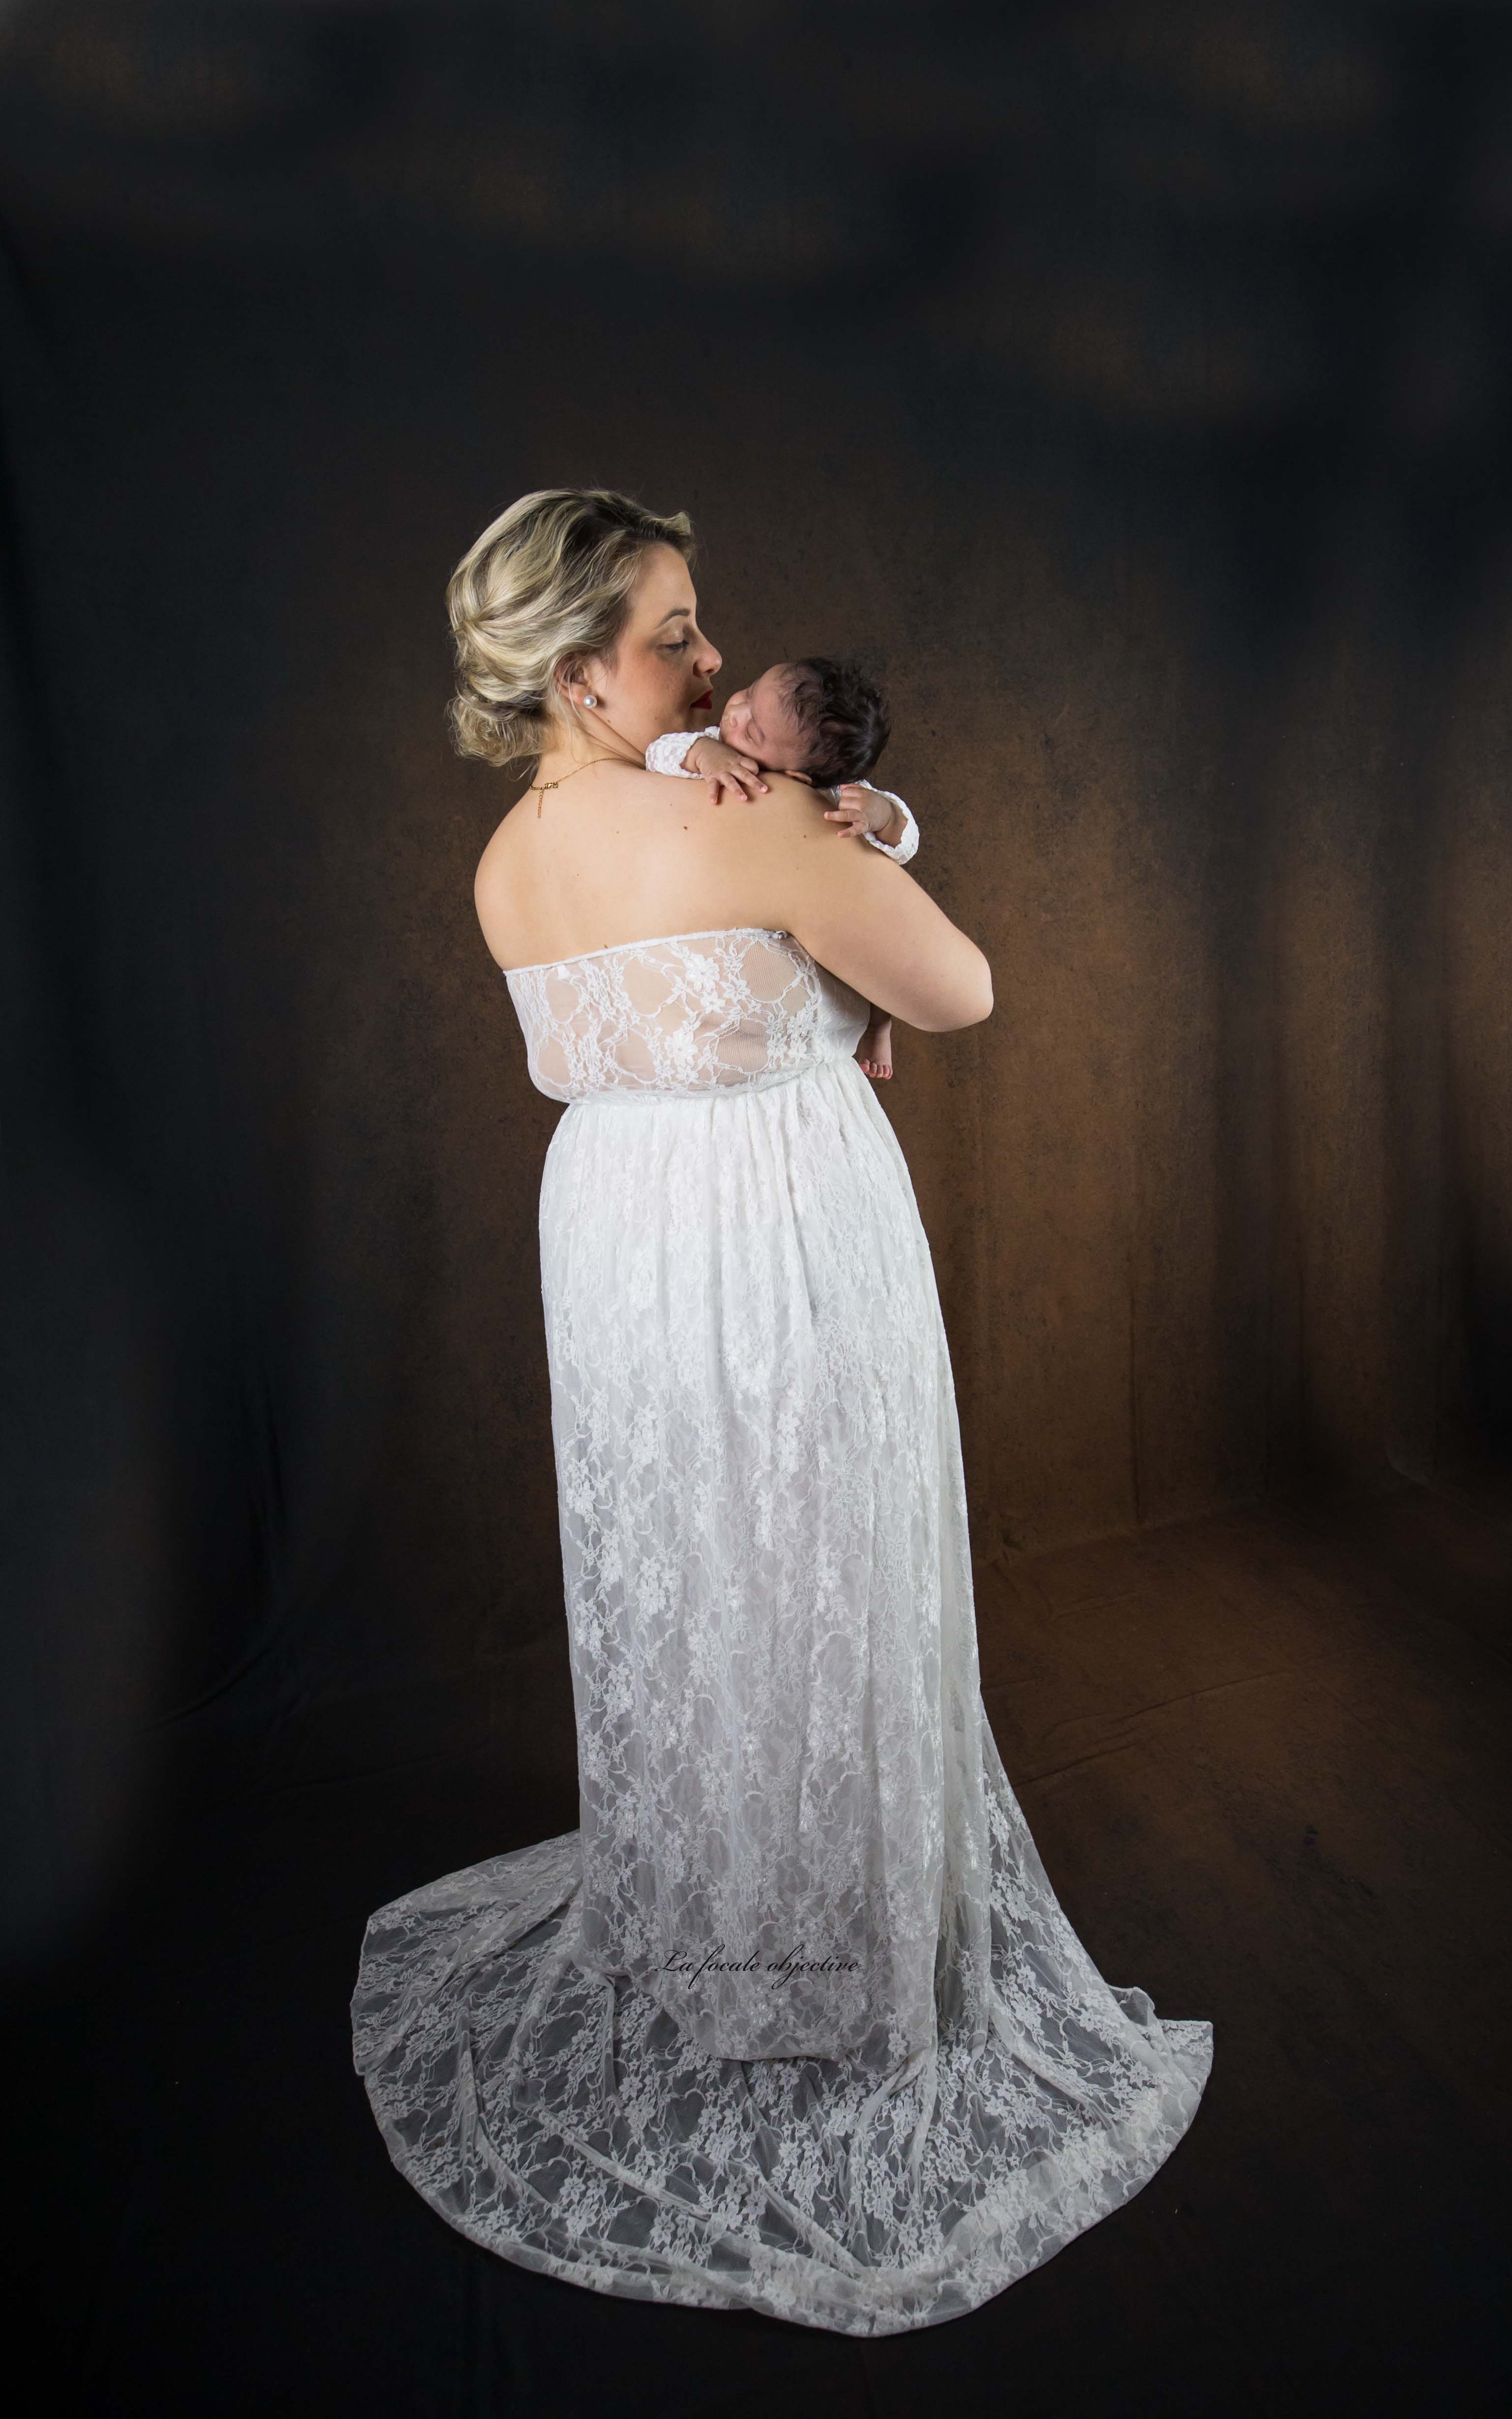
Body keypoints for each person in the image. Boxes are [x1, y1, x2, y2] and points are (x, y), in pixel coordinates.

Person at [350, 486, 1212, 2337]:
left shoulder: (503, 861)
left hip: (613, 1232)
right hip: (770, 1225)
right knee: (816, 1572)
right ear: (577, 677)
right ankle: (834, 1960)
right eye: (673, 631)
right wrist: (853, 833)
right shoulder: (745, 821)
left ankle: (720, 1928)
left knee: (692, 1573)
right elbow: (956, 988)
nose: (714, 654)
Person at [643, 654, 915, 1081]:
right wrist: (705, 755)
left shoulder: (836, 793)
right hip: (753, 900)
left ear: (797, 777)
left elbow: (904, 845)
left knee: (883, 957)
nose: (735, 712)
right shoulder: (715, 745)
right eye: (749, 694)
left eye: (753, 730)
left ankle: (879, 1025)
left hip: (826, 907)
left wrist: (882, 815)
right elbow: (658, 754)